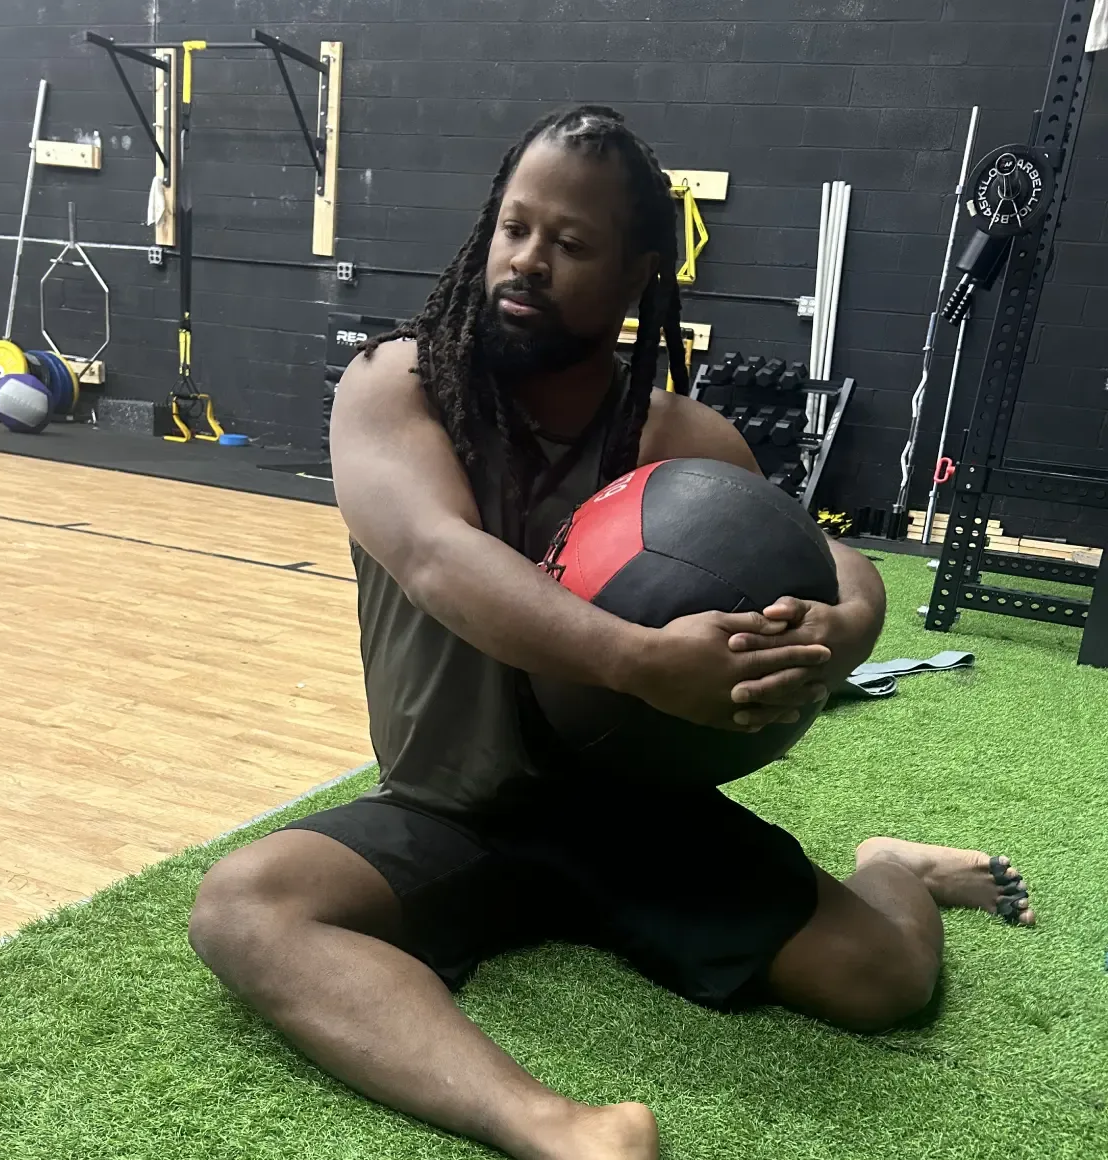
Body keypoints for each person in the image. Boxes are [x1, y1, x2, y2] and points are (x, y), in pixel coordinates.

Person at [189, 106, 1033, 1160]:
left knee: (889, 982)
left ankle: (894, 863)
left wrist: (849, 623)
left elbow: (828, 560)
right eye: (515, 228)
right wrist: (640, 659)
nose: (529, 260)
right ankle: (554, 1127)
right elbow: (440, 557)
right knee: (245, 907)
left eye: (572, 243)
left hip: (637, 810)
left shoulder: (676, 438)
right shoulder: (397, 386)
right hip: (456, 808)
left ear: (638, 276)